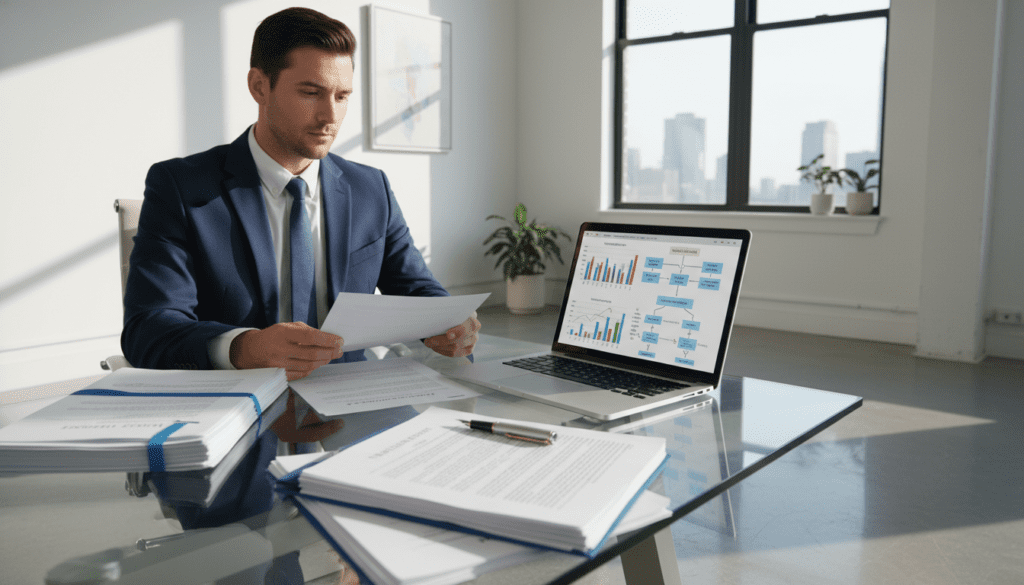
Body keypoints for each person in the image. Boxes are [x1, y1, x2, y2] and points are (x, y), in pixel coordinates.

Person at [121, 7, 479, 383]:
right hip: (239, 400)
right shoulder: (180, 187)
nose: (330, 116)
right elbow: (148, 328)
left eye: (342, 96)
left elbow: (415, 288)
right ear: (259, 86)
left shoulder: (371, 188)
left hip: (351, 397)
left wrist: (452, 322)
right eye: (311, 93)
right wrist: (244, 348)